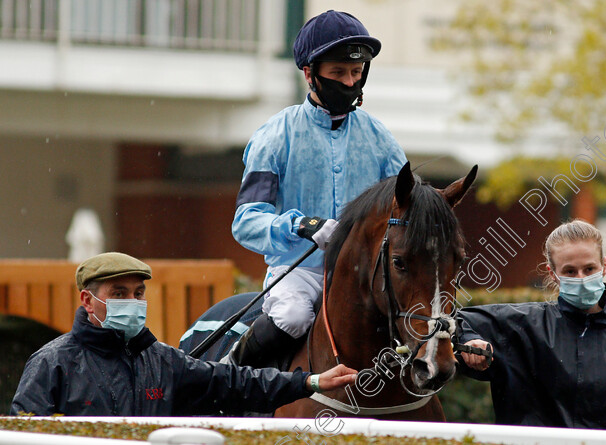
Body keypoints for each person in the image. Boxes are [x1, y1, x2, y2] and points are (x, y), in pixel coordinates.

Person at [229, 10, 407, 368]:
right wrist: (302, 226)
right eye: (338, 73)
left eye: (356, 73)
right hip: (299, 274)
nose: (349, 82)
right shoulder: (275, 135)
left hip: (365, 278)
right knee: (292, 317)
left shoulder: (382, 140)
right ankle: (229, 378)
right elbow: (246, 222)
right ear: (310, 73)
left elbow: (408, 210)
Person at [10, 252, 356, 416]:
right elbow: (23, 434)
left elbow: (238, 383)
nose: (132, 301)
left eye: (138, 293)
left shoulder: (163, 360)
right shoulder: (51, 363)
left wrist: (310, 382)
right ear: (88, 300)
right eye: (119, 294)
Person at [457, 219, 606, 431]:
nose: (582, 278)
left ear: (603, 266)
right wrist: (469, 340)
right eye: (570, 271)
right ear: (553, 274)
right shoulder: (521, 325)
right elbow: (448, 322)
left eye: (589, 268)